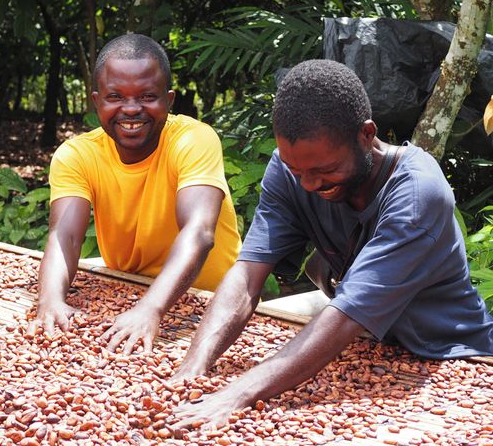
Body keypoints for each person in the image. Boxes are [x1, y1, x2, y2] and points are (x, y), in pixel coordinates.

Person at [169, 59, 493, 428]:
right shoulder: (289, 169)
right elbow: (247, 274)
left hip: (452, 355)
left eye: (324, 171)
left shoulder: (418, 197)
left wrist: (238, 393)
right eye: (297, 171)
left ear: (366, 135)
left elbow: (346, 314)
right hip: (369, 348)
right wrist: (194, 368)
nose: (308, 184)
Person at [27, 34, 241, 354]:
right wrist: (51, 300)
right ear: (96, 100)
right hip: (125, 295)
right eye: (115, 96)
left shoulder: (193, 140)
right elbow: (65, 237)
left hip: (213, 305)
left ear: (169, 100)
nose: (130, 109)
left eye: (147, 96)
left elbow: (199, 232)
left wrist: (150, 309)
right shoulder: (76, 155)